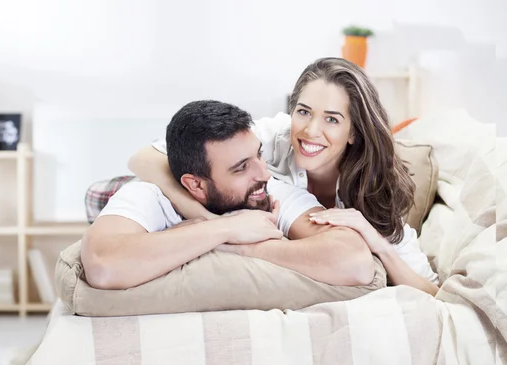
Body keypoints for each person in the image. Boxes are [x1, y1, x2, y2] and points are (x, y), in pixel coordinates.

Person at [128, 58, 440, 296]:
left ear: (354, 132)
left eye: (331, 119)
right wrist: (211, 223)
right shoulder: (273, 138)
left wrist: (378, 244)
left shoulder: (375, 193)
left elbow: (432, 292)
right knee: (112, 193)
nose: (310, 131)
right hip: (215, 197)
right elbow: (142, 159)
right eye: (304, 112)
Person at [81, 100, 377, 290]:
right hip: (117, 187)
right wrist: (226, 228)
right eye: (241, 168)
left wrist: (240, 246)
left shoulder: (269, 190)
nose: (263, 173)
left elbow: (355, 261)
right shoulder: (147, 195)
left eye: (259, 155)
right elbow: (103, 265)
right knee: (96, 194)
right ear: (195, 185)